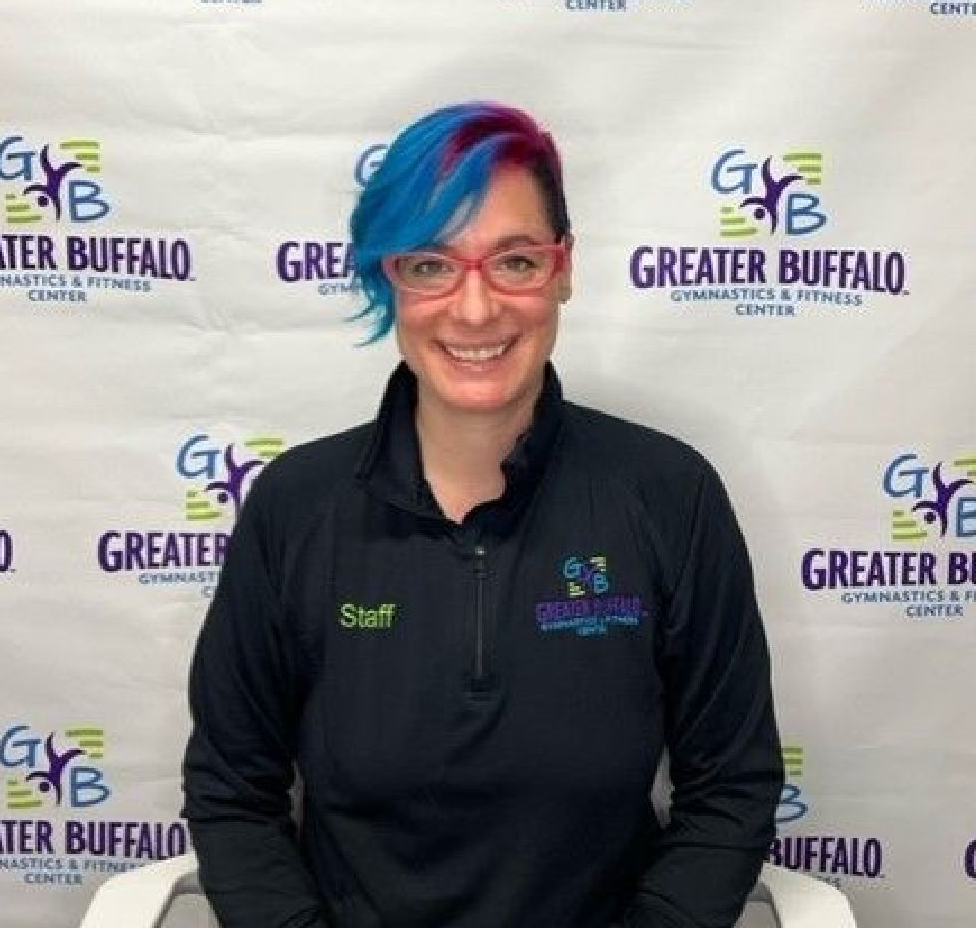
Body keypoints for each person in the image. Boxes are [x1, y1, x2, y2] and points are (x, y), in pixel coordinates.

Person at [182, 101, 782, 928]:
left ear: (563, 268)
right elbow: (231, 795)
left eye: (515, 261)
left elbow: (731, 788)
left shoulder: (668, 494)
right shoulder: (296, 507)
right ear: (386, 277)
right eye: (431, 265)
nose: (474, 310)